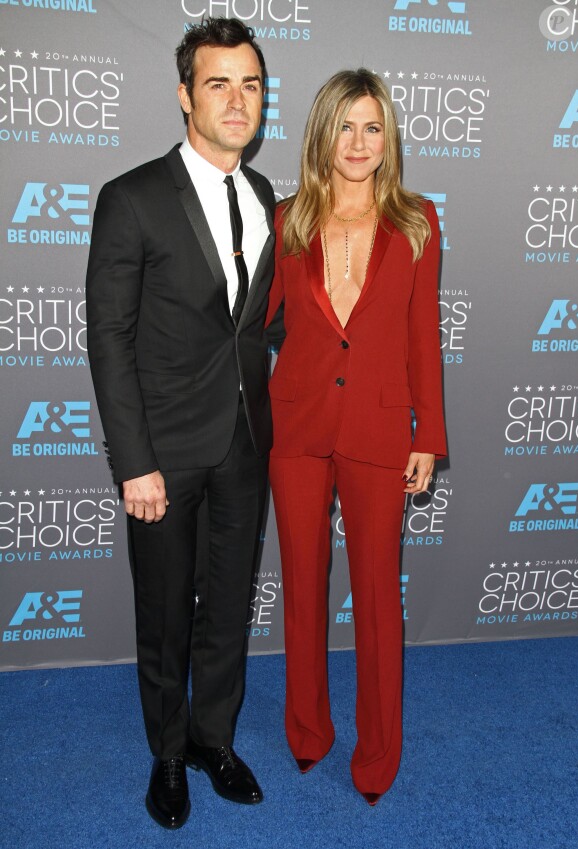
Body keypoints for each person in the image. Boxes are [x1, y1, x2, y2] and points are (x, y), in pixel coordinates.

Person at [86, 18, 277, 829]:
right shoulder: (130, 198)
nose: (237, 101)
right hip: (162, 452)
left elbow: (255, 327)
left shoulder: (266, 195)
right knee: (165, 612)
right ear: (184, 96)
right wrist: (133, 462)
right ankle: (167, 754)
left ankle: (212, 737)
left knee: (228, 604)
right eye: (218, 84)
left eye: (251, 84)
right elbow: (109, 337)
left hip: (243, 443)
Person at [265, 69, 447, 806]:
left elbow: (422, 339)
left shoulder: (416, 220)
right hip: (297, 429)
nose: (359, 142)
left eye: (373, 127)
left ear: (389, 138)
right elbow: (247, 328)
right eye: (346, 125)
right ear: (322, 133)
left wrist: (427, 435)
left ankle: (378, 754)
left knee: (377, 596)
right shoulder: (286, 221)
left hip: (378, 429)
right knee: (303, 590)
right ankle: (308, 732)